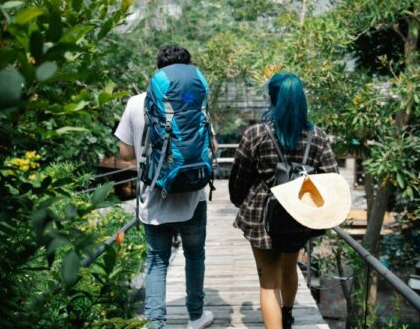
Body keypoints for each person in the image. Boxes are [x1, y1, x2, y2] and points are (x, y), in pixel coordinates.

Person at [114, 45, 214, 329]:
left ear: (159, 70)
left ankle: (156, 323)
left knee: (157, 260)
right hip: (193, 196)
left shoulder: (135, 103)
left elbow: (125, 155)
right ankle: (195, 316)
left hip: (154, 195)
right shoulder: (194, 101)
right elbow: (210, 146)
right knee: (195, 254)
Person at [228, 72, 339, 329]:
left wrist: (238, 201)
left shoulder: (256, 134)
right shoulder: (318, 137)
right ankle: (287, 314)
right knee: (290, 268)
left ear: (272, 98)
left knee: (269, 281)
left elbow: (239, 178)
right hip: (300, 214)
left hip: (262, 215)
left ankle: (277, 320)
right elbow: (332, 178)